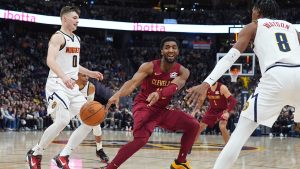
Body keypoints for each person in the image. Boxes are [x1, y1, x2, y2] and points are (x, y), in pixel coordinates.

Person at [184, 0, 300, 168]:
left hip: (276, 76)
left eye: (253, 10)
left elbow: (231, 57)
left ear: (258, 11)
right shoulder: (292, 28)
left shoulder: (254, 26)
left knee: (237, 138)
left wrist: (207, 82)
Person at [26, 6, 103, 169]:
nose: (77, 20)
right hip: (57, 83)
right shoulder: (57, 37)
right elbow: (50, 60)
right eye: (74, 17)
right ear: (65, 19)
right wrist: (64, 76)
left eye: (78, 18)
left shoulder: (76, 39)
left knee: (91, 119)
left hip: (71, 86)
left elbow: (74, 66)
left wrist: (90, 72)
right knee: (63, 120)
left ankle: (63, 155)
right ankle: (36, 152)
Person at [105, 37, 199, 169]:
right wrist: (118, 93)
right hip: (144, 106)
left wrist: (159, 94)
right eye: (167, 47)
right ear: (161, 51)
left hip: (161, 110)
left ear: (178, 51)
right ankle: (111, 167)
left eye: (174, 47)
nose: (170, 50)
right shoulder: (148, 66)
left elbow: (174, 86)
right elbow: (132, 83)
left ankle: (180, 162)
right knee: (141, 139)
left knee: (193, 125)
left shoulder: (183, 71)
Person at [191, 81, 237, 150]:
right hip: (212, 110)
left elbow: (233, 101)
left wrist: (227, 112)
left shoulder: (222, 87)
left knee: (222, 126)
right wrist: (195, 110)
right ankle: (189, 146)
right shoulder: (206, 88)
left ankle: (229, 148)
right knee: (200, 126)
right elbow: (201, 100)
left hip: (223, 110)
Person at [76, 73, 109, 162]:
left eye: (87, 76)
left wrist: (98, 112)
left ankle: (99, 149)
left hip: (82, 109)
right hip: (67, 106)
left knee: (96, 126)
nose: (86, 78)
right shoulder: (70, 83)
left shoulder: (90, 87)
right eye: (84, 76)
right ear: (77, 76)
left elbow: (89, 105)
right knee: (59, 125)